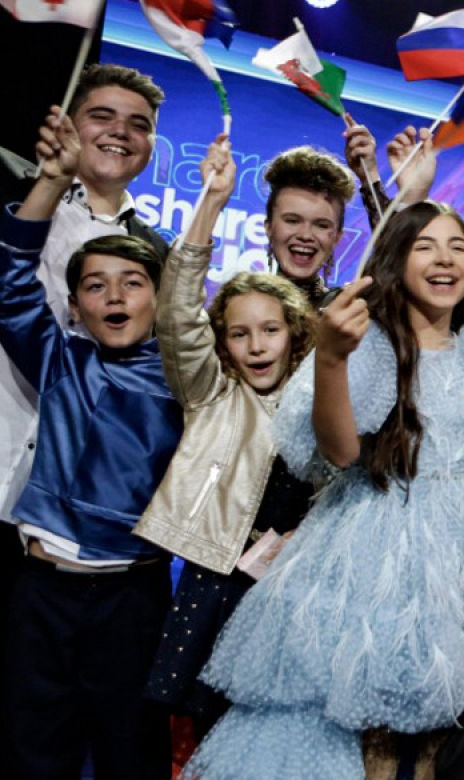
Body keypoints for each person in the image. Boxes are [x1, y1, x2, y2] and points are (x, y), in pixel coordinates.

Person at [183, 202, 464, 777]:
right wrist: (332, 358)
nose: (445, 259)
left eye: (457, 246)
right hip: (374, 553)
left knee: (442, 737)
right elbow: (338, 451)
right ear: (395, 261)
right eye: (425, 246)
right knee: (370, 738)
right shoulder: (372, 342)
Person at [0, 106, 182, 778]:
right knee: (32, 751)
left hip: (132, 601)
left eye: (133, 283)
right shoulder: (56, 357)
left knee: (128, 752)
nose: (114, 295)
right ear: (73, 305)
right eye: (95, 285)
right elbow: (14, 282)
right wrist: (48, 185)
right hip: (42, 595)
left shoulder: (185, 383)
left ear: (159, 300)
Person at [133, 136, 317, 736]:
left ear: (293, 333)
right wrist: (211, 204)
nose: (257, 345)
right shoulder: (212, 391)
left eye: (270, 330)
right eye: (239, 334)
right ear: (223, 343)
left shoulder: (318, 397)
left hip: (295, 582)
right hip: (217, 577)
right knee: (196, 727)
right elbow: (177, 314)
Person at [1, 65, 168, 534]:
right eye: (103, 115)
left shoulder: (157, 255)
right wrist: (50, 182)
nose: (121, 131)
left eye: (140, 124)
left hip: (60, 514)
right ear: (68, 125)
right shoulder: (11, 186)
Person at [260, 145, 357, 307]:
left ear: (337, 237)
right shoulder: (240, 306)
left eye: (321, 225)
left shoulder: (348, 311)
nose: (305, 235)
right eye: (292, 221)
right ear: (269, 228)